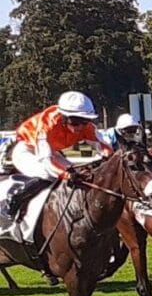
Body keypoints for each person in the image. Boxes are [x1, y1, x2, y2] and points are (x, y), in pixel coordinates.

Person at [3, 91, 113, 220]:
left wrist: (107, 157)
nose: (80, 127)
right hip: (27, 150)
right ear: (63, 117)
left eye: (85, 122)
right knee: (47, 174)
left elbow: (105, 147)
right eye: (75, 122)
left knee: (78, 171)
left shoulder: (87, 127)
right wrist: (67, 175)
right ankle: (14, 199)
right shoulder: (47, 126)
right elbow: (47, 162)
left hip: (52, 152)